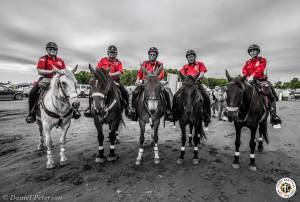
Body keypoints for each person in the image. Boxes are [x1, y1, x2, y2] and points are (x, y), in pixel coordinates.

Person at [25, 42, 81, 123]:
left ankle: (74, 110)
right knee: (32, 93)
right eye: (50, 49)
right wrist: (51, 71)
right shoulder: (43, 59)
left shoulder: (60, 61)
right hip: (46, 79)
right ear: (47, 50)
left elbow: (64, 71)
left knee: (68, 90)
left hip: (58, 80)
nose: (52, 50)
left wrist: (69, 73)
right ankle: (32, 113)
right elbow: (40, 71)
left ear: (56, 50)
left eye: (54, 49)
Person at [127, 47, 173, 121]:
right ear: (148, 55)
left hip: (155, 83)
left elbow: (161, 75)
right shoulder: (144, 63)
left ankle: (168, 111)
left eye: (153, 54)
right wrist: (138, 79)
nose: (152, 55)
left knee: (166, 92)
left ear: (156, 55)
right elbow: (140, 73)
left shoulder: (159, 64)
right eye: (150, 54)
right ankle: (133, 110)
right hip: (145, 83)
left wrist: (157, 80)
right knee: (135, 92)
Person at [84, 45, 130, 117]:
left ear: (116, 54)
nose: (112, 54)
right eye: (111, 52)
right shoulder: (103, 60)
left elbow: (119, 72)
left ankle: (127, 108)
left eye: (114, 53)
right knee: (92, 91)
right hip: (103, 81)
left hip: (115, 81)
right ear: (108, 53)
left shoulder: (118, 62)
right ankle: (90, 108)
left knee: (125, 92)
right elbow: (97, 70)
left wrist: (110, 75)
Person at [242, 44, 281, 126]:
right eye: (251, 51)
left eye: (254, 50)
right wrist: (247, 77)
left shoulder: (262, 60)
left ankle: (274, 116)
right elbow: (244, 70)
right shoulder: (247, 62)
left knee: (269, 91)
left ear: (257, 51)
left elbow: (260, 69)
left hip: (260, 80)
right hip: (249, 80)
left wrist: (252, 76)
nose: (253, 52)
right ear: (249, 53)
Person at [173, 50, 211, 125]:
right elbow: (182, 75)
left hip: (197, 84)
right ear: (187, 58)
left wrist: (196, 78)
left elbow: (202, 73)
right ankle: (174, 114)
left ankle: (207, 115)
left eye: (191, 56)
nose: (190, 58)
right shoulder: (185, 67)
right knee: (175, 95)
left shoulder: (200, 64)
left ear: (194, 57)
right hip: (187, 85)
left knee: (206, 97)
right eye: (189, 57)